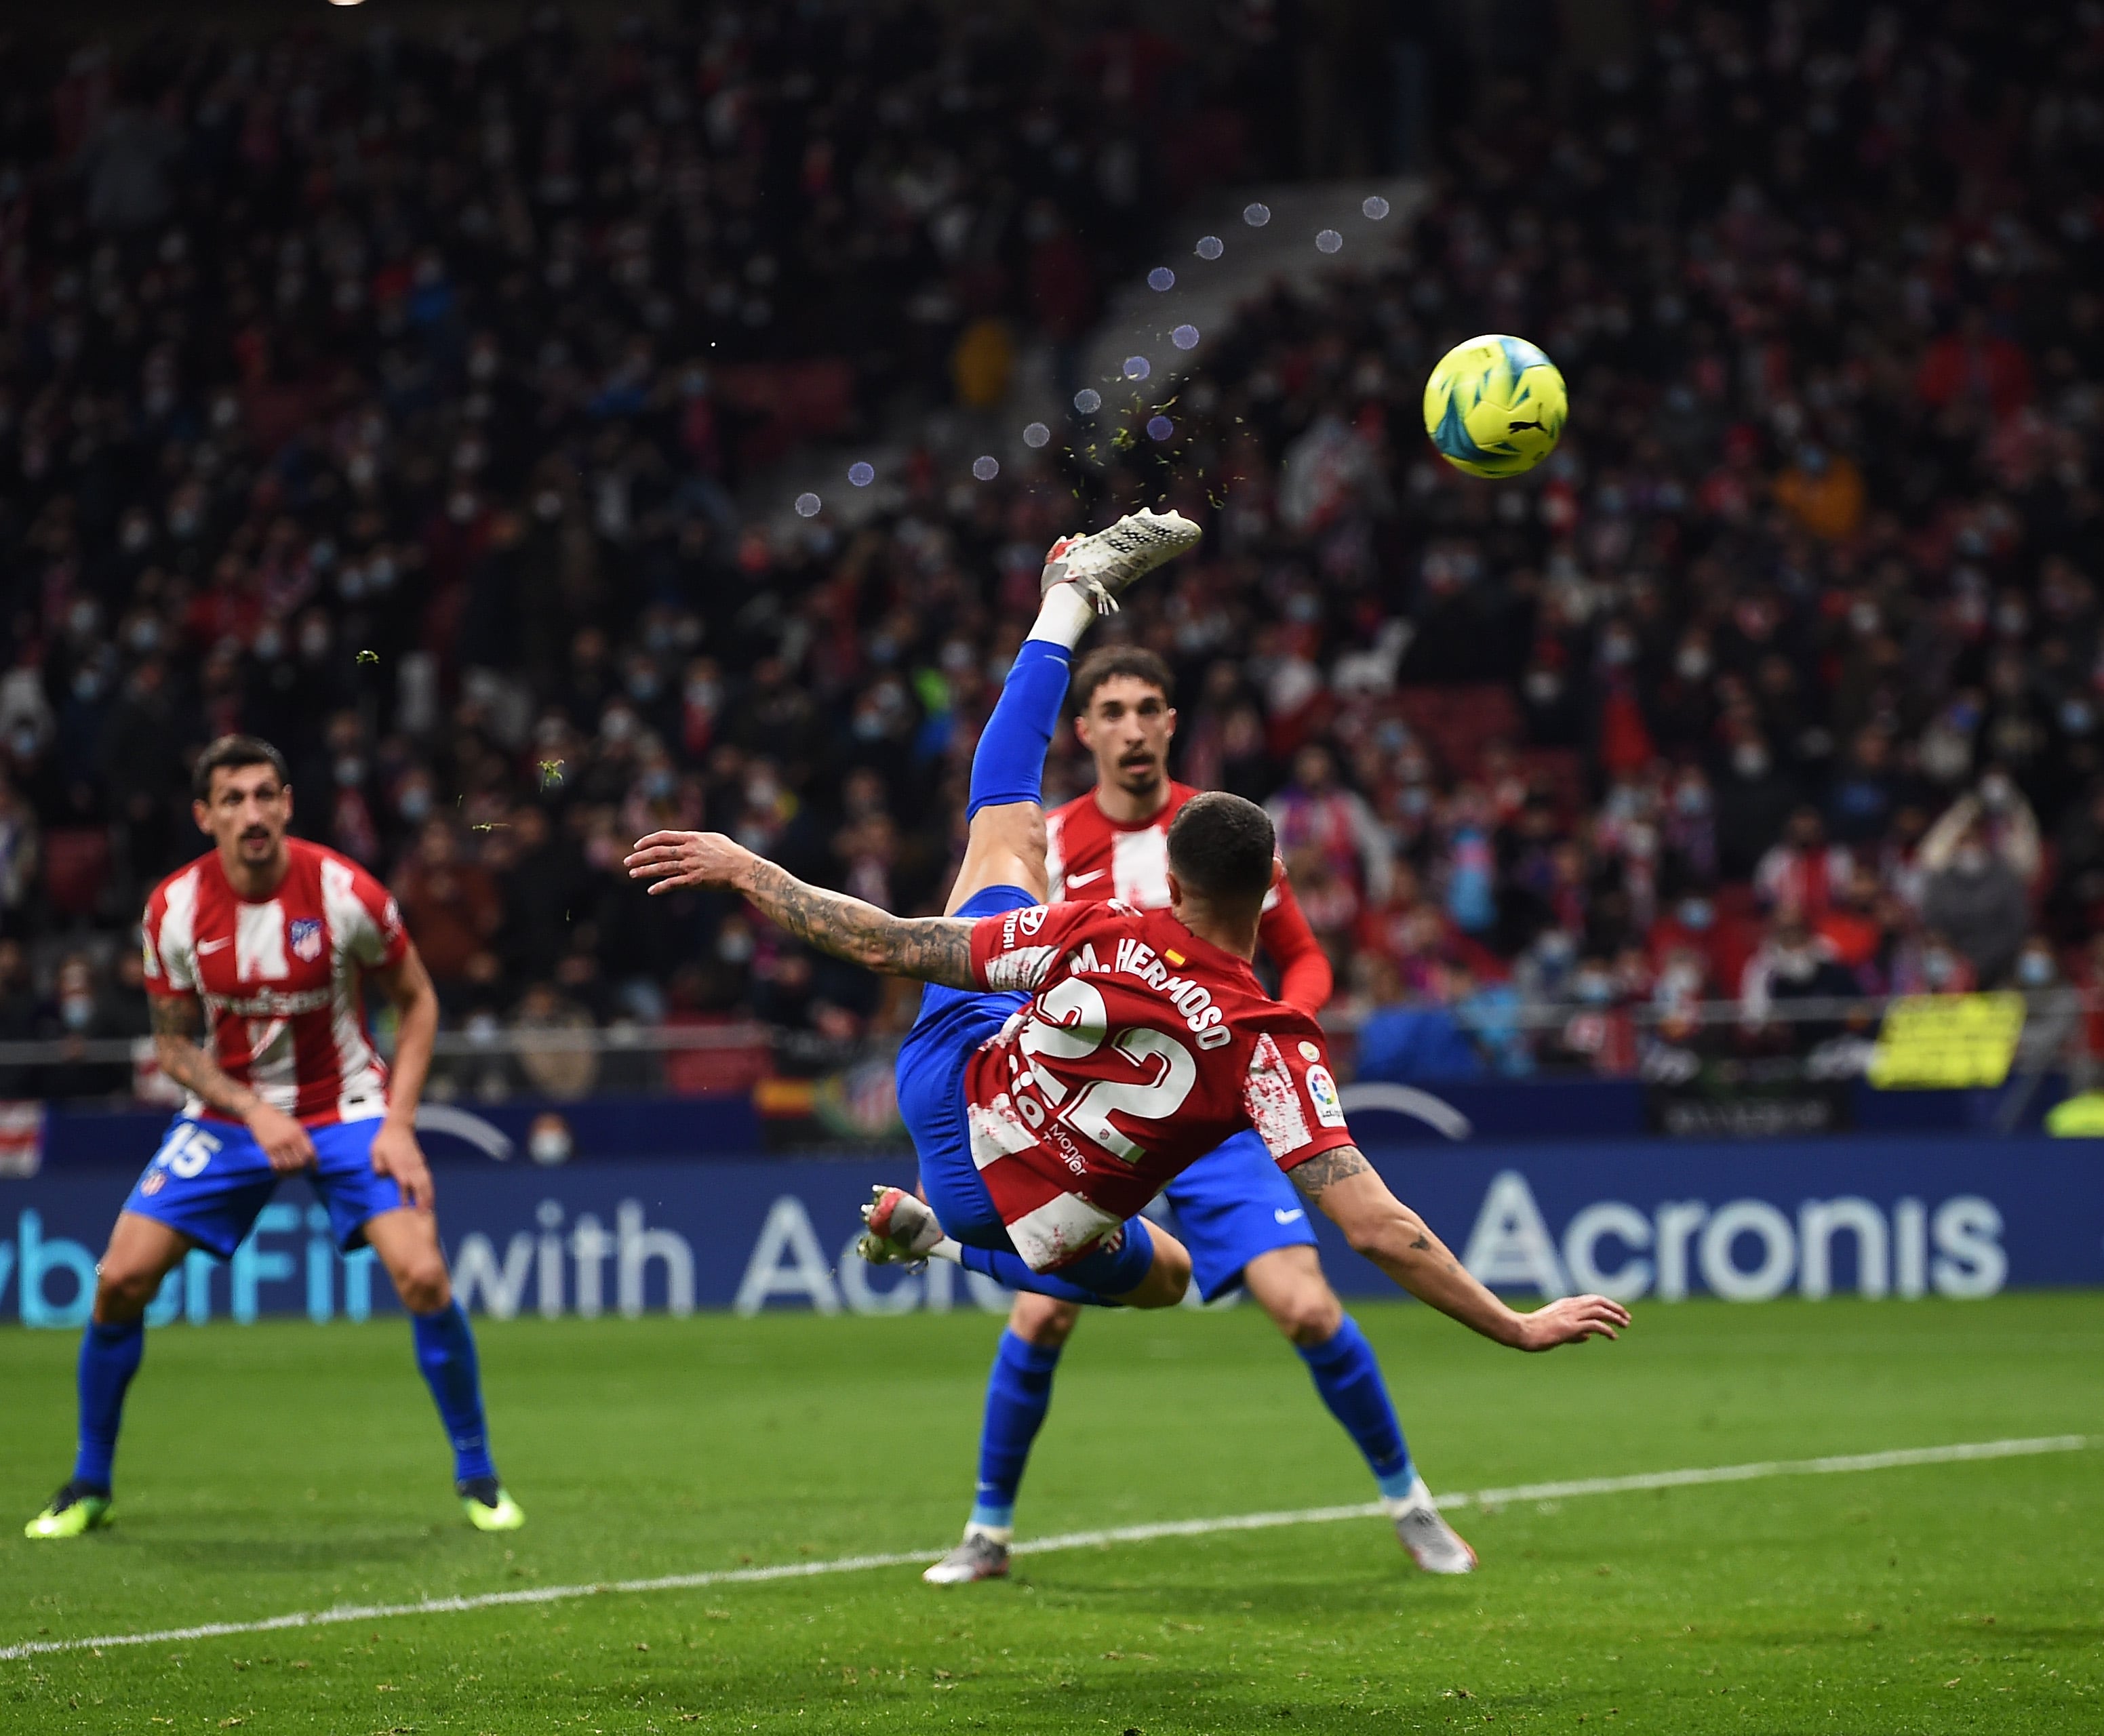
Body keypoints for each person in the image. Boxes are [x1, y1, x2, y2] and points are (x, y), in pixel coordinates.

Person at [622, 511, 1625, 1472]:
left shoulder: (1100, 924)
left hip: (949, 1089)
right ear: (1269, 885)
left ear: (1175, 884)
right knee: (1172, 1281)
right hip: (1027, 1210)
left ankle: (1065, 600)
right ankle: (939, 1240)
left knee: (1002, 831)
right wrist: (1514, 1323)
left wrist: (749, 869)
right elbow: (1378, 1228)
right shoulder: (1272, 1052)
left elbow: (887, 945)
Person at [912, 641, 1482, 1583]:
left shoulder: (1225, 835)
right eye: (1115, 711)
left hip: (1210, 1113)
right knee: (1039, 1318)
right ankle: (987, 1530)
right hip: (1088, 1119)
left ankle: (1410, 1501)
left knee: (1303, 1307)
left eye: (1150, 708)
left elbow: (1300, 953)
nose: (1134, 728)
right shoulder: (1052, 841)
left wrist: (1285, 1028)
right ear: (1086, 729)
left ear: (1171, 723)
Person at [26, 735, 522, 1540]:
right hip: (230, 1116)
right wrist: (252, 1110)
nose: (251, 813)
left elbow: (419, 1001)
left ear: (288, 802)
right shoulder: (173, 909)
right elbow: (175, 1045)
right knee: (118, 1278)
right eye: (233, 798)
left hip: (347, 1106)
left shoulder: (344, 891)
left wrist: (398, 1124)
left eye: (265, 794)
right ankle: (89, 1482)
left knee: (425, 1273)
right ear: (205, 815)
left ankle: (479, 1475)